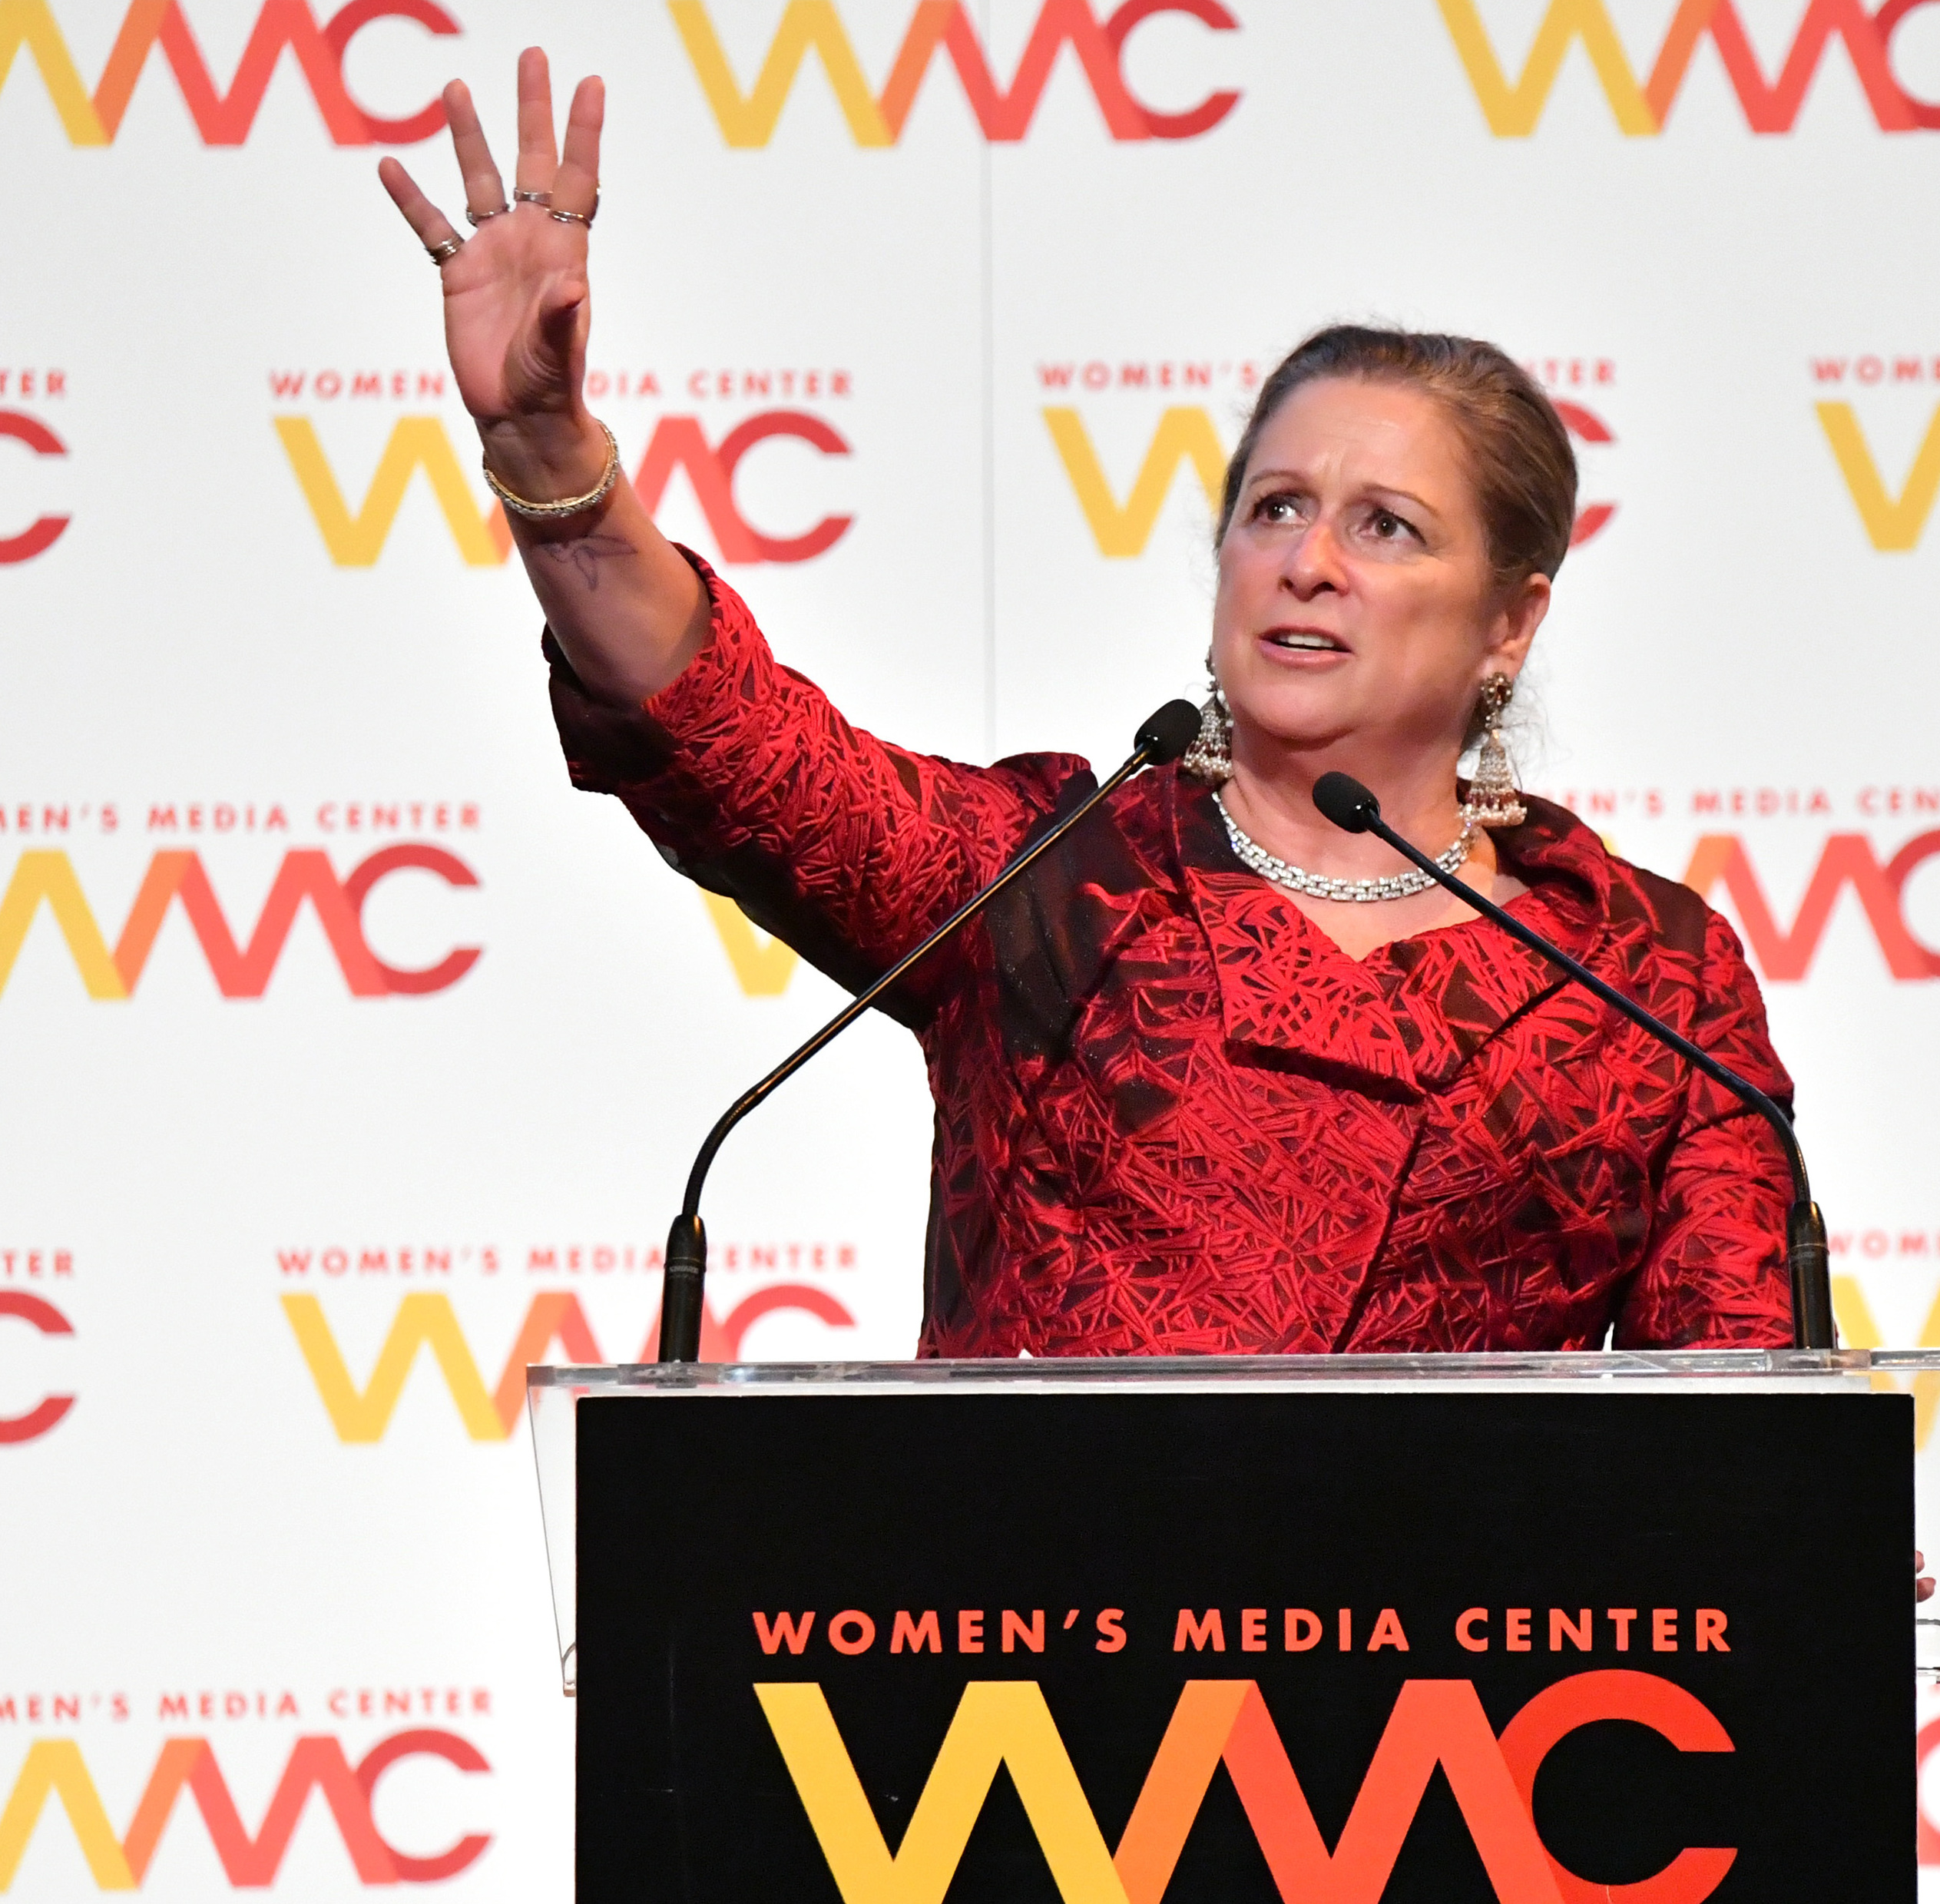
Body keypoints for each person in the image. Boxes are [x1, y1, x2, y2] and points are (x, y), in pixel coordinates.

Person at [376, 52, 1802, 1359]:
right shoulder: (1057, 876)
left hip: (1440, 1641)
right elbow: (727, 737)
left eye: (1386, 528)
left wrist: (1812, 1526)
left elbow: (1746, 1420)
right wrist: (548, 451)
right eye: (1276, 507)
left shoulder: (1644, 975)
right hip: (1028, 1633)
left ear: (1510, 620)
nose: (1305, 561)